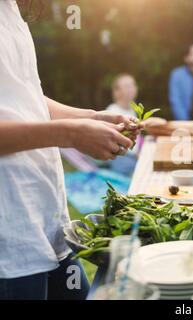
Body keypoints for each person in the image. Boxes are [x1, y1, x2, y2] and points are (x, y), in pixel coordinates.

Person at [0, 0, 139, 299]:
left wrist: (90, 117)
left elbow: (27, 98)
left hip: (49, 219)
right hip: (9, 239)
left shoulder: (10, 9)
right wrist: (71, 133)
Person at [105, 74, 139, 176]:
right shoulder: (112, 111)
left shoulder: (132, 110)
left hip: (132, 156)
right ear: (117, 92)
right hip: (121, 158)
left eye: (133, 85)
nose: (132, 88)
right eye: (127, 86)